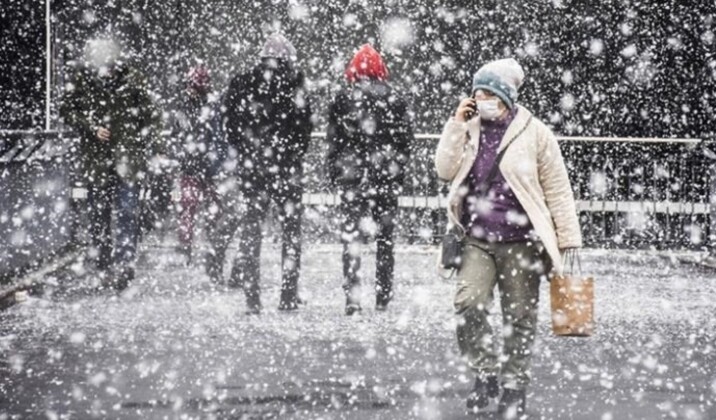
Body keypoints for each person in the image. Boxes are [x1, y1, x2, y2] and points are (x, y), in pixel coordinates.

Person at [434, 58, 582, 416]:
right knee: (468, 304)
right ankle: (485, 372)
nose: (481, 100)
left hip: (521, 241)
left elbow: (558, 190)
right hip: (477, 238)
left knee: (518, 317)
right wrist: (456, 124)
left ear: (505, 96)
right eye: (476, 94)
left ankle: (514, 387)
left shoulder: (535, 133)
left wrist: (568, 240)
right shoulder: (468, 128)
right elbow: (443, 169)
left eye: (488, 93)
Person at [61, 38, 162, 291]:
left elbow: (152, 116)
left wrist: (143, 142)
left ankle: (124, 263)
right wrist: (91, 126)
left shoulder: (134, 80)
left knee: (127, 212)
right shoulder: (83, 80)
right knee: (99, 215)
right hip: (97, 160)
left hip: (127, 159)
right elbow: (66, 109)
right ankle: (105, 264)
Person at [222, 34, 313, 313]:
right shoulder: (295, 85)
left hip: (253, 169)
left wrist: (248, 152)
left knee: (252, 230)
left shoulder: (241, 84)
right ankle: (287, 294)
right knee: (291, 233)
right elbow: (304, 129)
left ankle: (252, 297)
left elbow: (230, 126)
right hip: (286, 169)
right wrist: (290, 153)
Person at [325, 44, 414, 315]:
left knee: (351, 238)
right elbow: (405, 141)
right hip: (385, 176)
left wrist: (335, 170)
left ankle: (352, 297)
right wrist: (397, 168)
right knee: (385, 239)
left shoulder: (342, 98)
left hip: (353, 178)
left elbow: (334, 140)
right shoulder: (395, 98)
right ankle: (383, 295)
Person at [171, 64, 226, 264]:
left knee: (201, 208)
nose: (189, 90)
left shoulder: (208, 107)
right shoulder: (192, 107)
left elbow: (218, 137)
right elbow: (178, 134)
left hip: (203, 166)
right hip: (195, 165)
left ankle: (200, 245)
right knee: (190, 208)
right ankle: (191, 247)